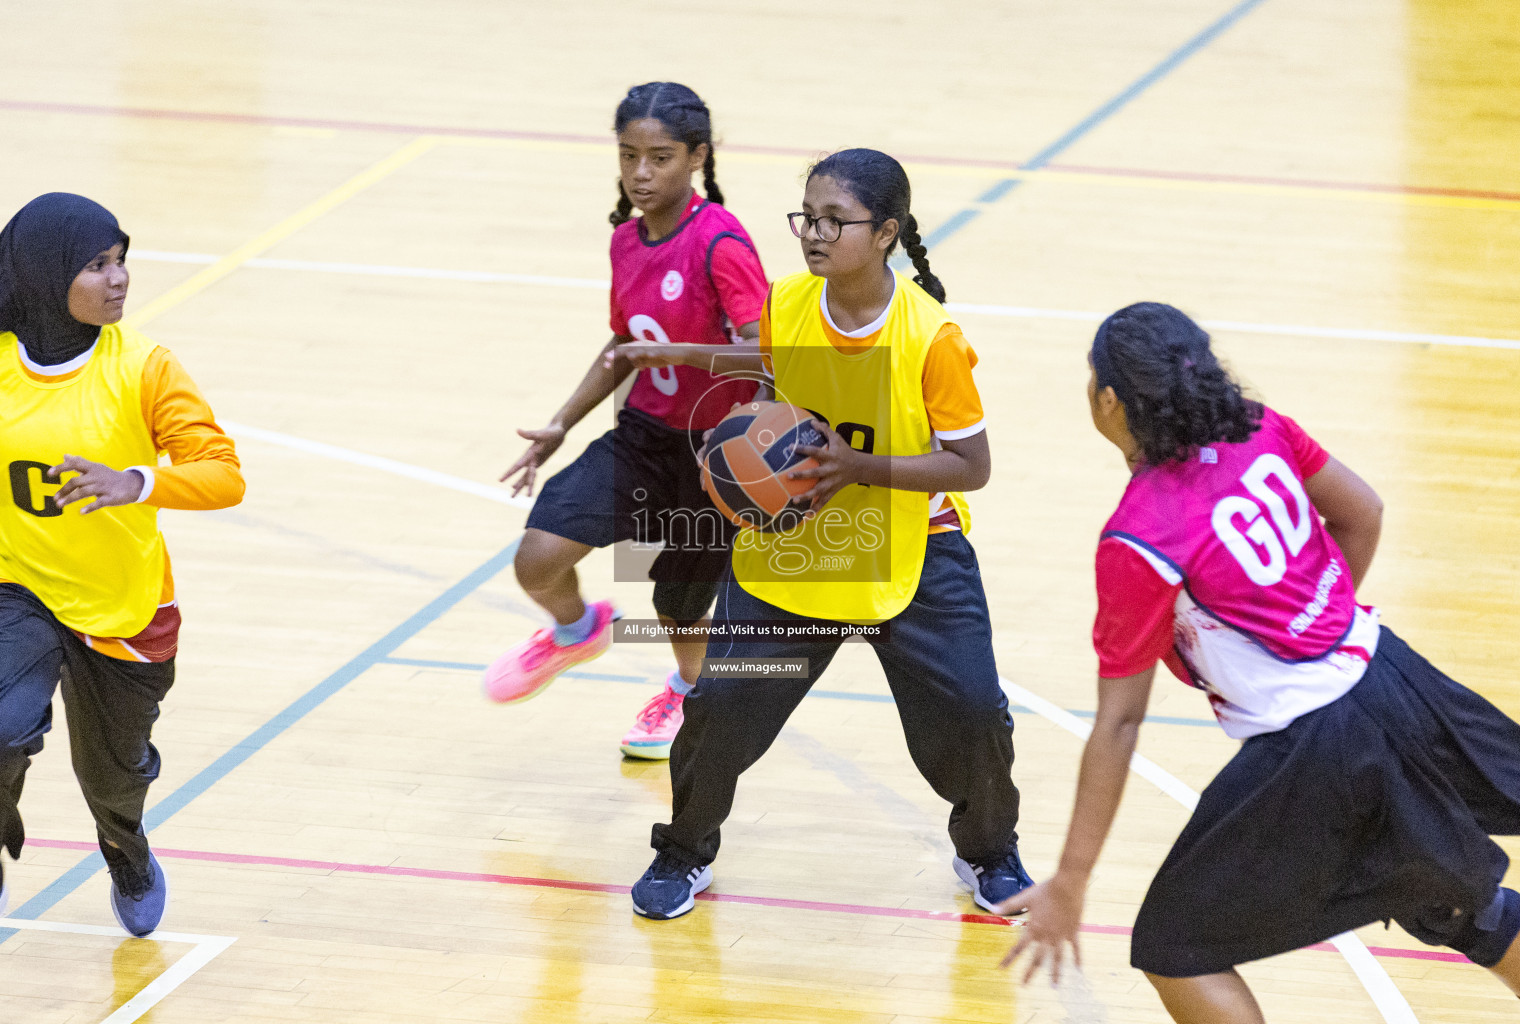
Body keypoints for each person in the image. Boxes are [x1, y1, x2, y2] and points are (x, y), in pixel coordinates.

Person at [1003, 302, 1520, 1021]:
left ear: (1111, 400)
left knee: (1175, 949)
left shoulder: (1139, 537)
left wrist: (1071, 879)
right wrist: (1318, 617)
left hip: (1316, 748)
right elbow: (1362, 511)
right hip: (1390, 678)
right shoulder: (1256, 425)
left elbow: (1119, 726)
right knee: (1457, 902)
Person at [630, 148, 1032, 920]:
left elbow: (970, 465)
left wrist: (856, 466)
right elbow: (768, 406)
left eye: (833, 221)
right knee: (718, 704)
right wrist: (737, 470)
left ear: (885, 233)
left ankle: (988, 851)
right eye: (805, 217)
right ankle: (683, 851)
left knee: (975, 714)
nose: (813, 234)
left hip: (914, 552)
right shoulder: (785, 307)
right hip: (795, 546)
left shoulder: (930, 337)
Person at [0, 193, 245, 937]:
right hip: (14, 587)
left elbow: (225, 474)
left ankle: (124, 847)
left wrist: (138, 483)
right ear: (43, 274)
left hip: (123, 606)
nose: (119, 277)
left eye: (120, 259)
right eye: (96, 265)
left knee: (112, 776)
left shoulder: (145, 367)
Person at [485, 82, 769, 760]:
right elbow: (623, 345)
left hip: (714, 452)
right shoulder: (626, 241)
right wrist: (561, 423)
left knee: (680, 607)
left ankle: (685, 695)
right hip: (644, 435)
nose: (642, 173)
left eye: (661, 158)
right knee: (538, 558)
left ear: (697, 157)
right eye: (630, 156)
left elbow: (767, 353)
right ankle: (576, 630)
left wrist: (680, 354)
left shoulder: (721, 243)